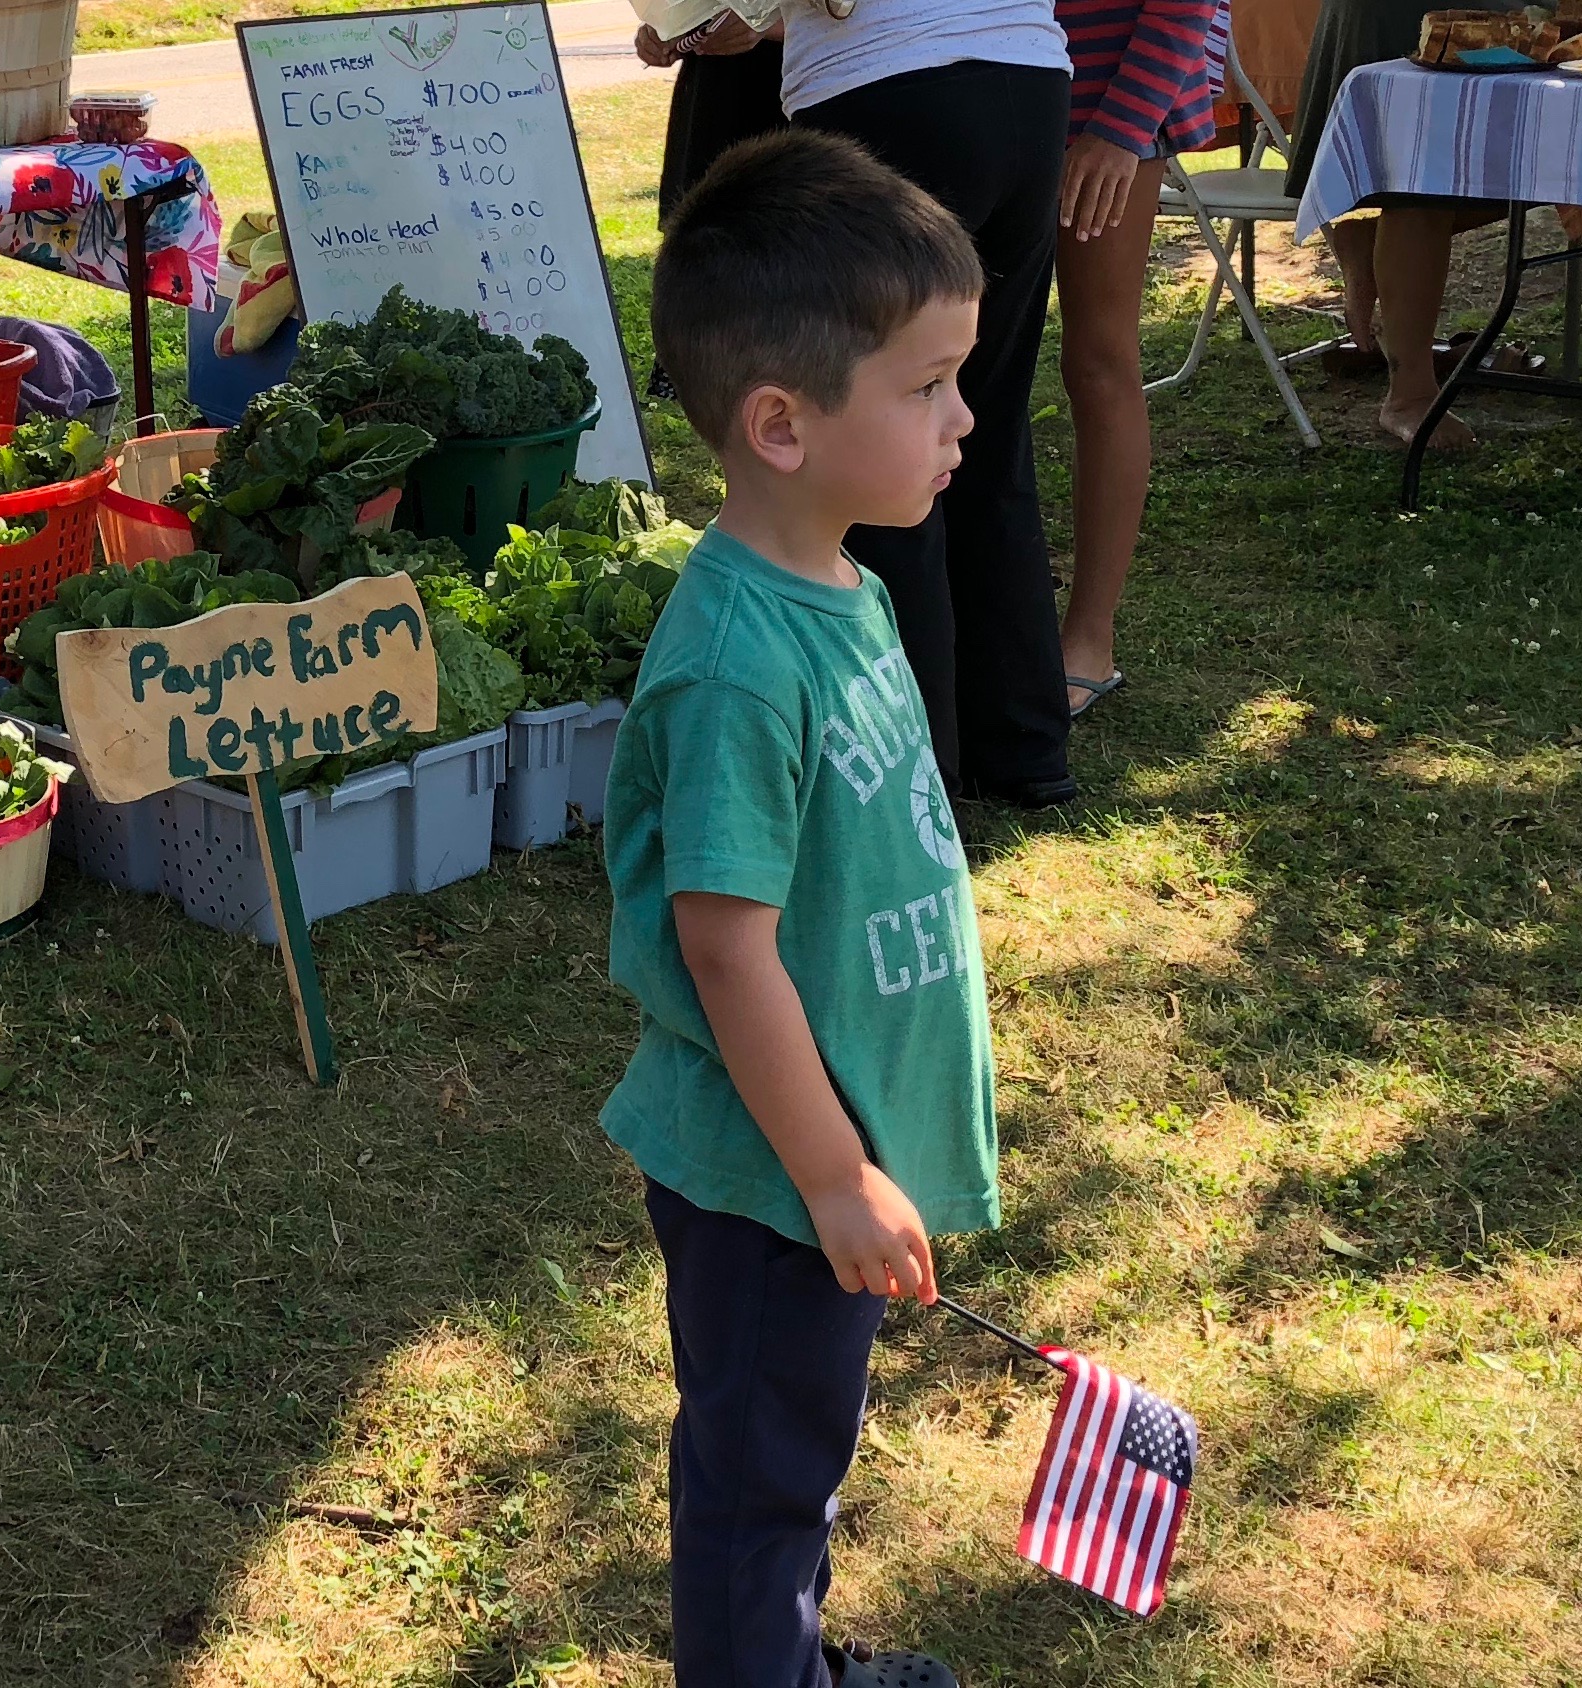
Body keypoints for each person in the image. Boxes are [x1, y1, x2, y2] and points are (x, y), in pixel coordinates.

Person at [615, 128, 1001, 1688]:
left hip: (824, 1150)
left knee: (791, 1449)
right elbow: (724, 948)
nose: (963, 417)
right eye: (927, 387)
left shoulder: (849, 585)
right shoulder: (734, 665)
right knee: (758, 1487)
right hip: (770, 1176)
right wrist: (834, 1178)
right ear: (781, 423)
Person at [780, 0, 1081, 808]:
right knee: (983, 426)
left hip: (890, 89)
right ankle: (1022, 744)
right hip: (1026, 81)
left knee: (880, 448)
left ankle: (913, 774)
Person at [1051, 0, 1222, 718]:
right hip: (980, 84)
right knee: (957, 363)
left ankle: (1089, 636)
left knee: (1098, 362)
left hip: (1105, 99)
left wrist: (1122, 127)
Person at [1284, 0, 1512, 448]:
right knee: (1418, 183)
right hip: (1399, 16)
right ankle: (1410, 395)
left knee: (1549, 169)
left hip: (1502, 14)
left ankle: (1373, 253)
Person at [634, 14, 785, 401]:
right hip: (714, 107)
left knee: (793, 293)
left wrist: (769, 26)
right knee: (704, 268)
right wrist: (664, 28)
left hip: (795, 108)